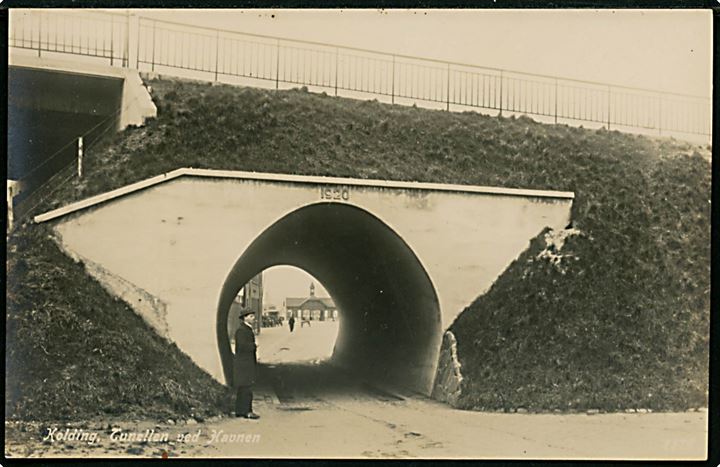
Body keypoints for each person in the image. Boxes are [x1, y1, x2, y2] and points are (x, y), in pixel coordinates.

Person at [233, 308, 259, 419]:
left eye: (253, 316)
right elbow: (241, 346)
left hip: (245, 362)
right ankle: (247, 411)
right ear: (245, 318)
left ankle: (240, 411)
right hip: (244, 363)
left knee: (243, 387)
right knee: (246, 388)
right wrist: (253, 346)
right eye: (251, 316)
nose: (253, 318)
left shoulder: (246, 329)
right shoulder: (242, 331)